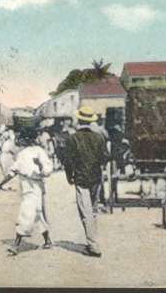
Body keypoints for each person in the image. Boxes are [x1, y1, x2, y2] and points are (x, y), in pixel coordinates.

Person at [0, 134, 54, 255]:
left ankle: (16, 245)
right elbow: (13, 171)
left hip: (34, 187)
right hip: (29, 186)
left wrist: (40, 165)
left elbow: (47, 169)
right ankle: (47, 240)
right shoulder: (26, 153)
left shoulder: (35, 152)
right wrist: (0, 184)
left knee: (26, 212)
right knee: (37, 213)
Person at [64, 106, 109, 258]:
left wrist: (69, 176)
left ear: (79, 119)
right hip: (96, 177)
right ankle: (92, 240)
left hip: (81, 178)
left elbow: (68, 161)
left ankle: (93, 245)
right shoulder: (100, 137)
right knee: (93, 210)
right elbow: (105, 158)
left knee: (85, 212)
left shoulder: (72, 138)